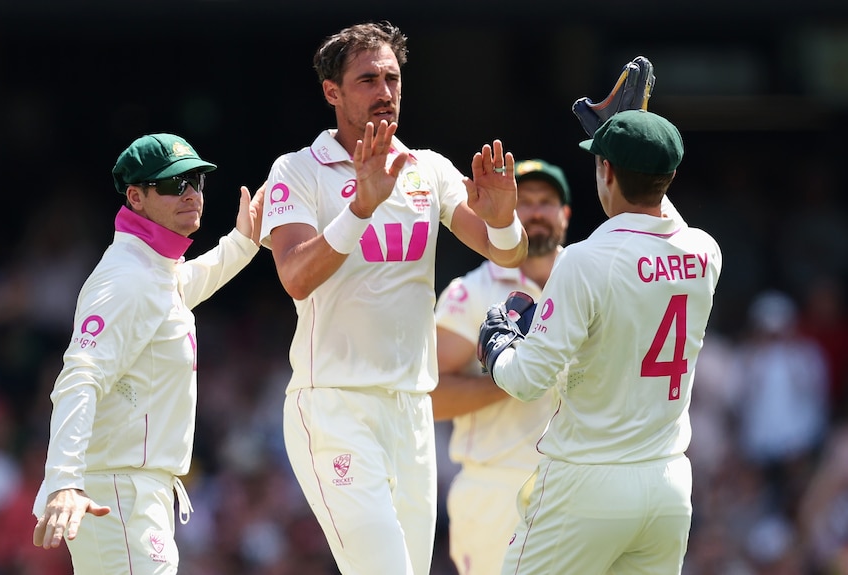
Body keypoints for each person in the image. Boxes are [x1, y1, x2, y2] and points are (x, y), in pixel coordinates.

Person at [259, 21, 528, 575]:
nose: (385, 93)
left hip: (411, 410)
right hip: (334, 405)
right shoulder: (298, 170)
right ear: (332, 92)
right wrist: (361, 206)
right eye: (367, 80)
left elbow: (508, 253)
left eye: (392, 79)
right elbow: (295, 276)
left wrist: (503, 221)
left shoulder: (426, 167)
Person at [479, 109, 723, 575]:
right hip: (667, 483)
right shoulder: (704, 252)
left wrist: (498, 347)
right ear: (669, 177)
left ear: (605, 170)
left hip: (586, 484)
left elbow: (527, 380)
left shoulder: (585, 260)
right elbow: (661, 210)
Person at [31, 133, 264, 574]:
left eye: (196, 180)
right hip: (118, 495)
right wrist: (63, 480)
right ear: (136, 196)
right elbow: (80, 376)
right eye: (174, 184)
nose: (192, 194)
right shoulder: (127, 278)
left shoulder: (153, 270)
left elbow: (179, 289)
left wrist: (242, 244)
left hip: (134, 494)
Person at [431, 159, 572, 575]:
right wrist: (516, 374)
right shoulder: (472, 290)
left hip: (577, 483)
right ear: (507, 213)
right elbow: (431, 396)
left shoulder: (587, 278)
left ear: (565, 215)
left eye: (546, 202)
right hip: (497, 487)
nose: (535, 212)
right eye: (524, 202)